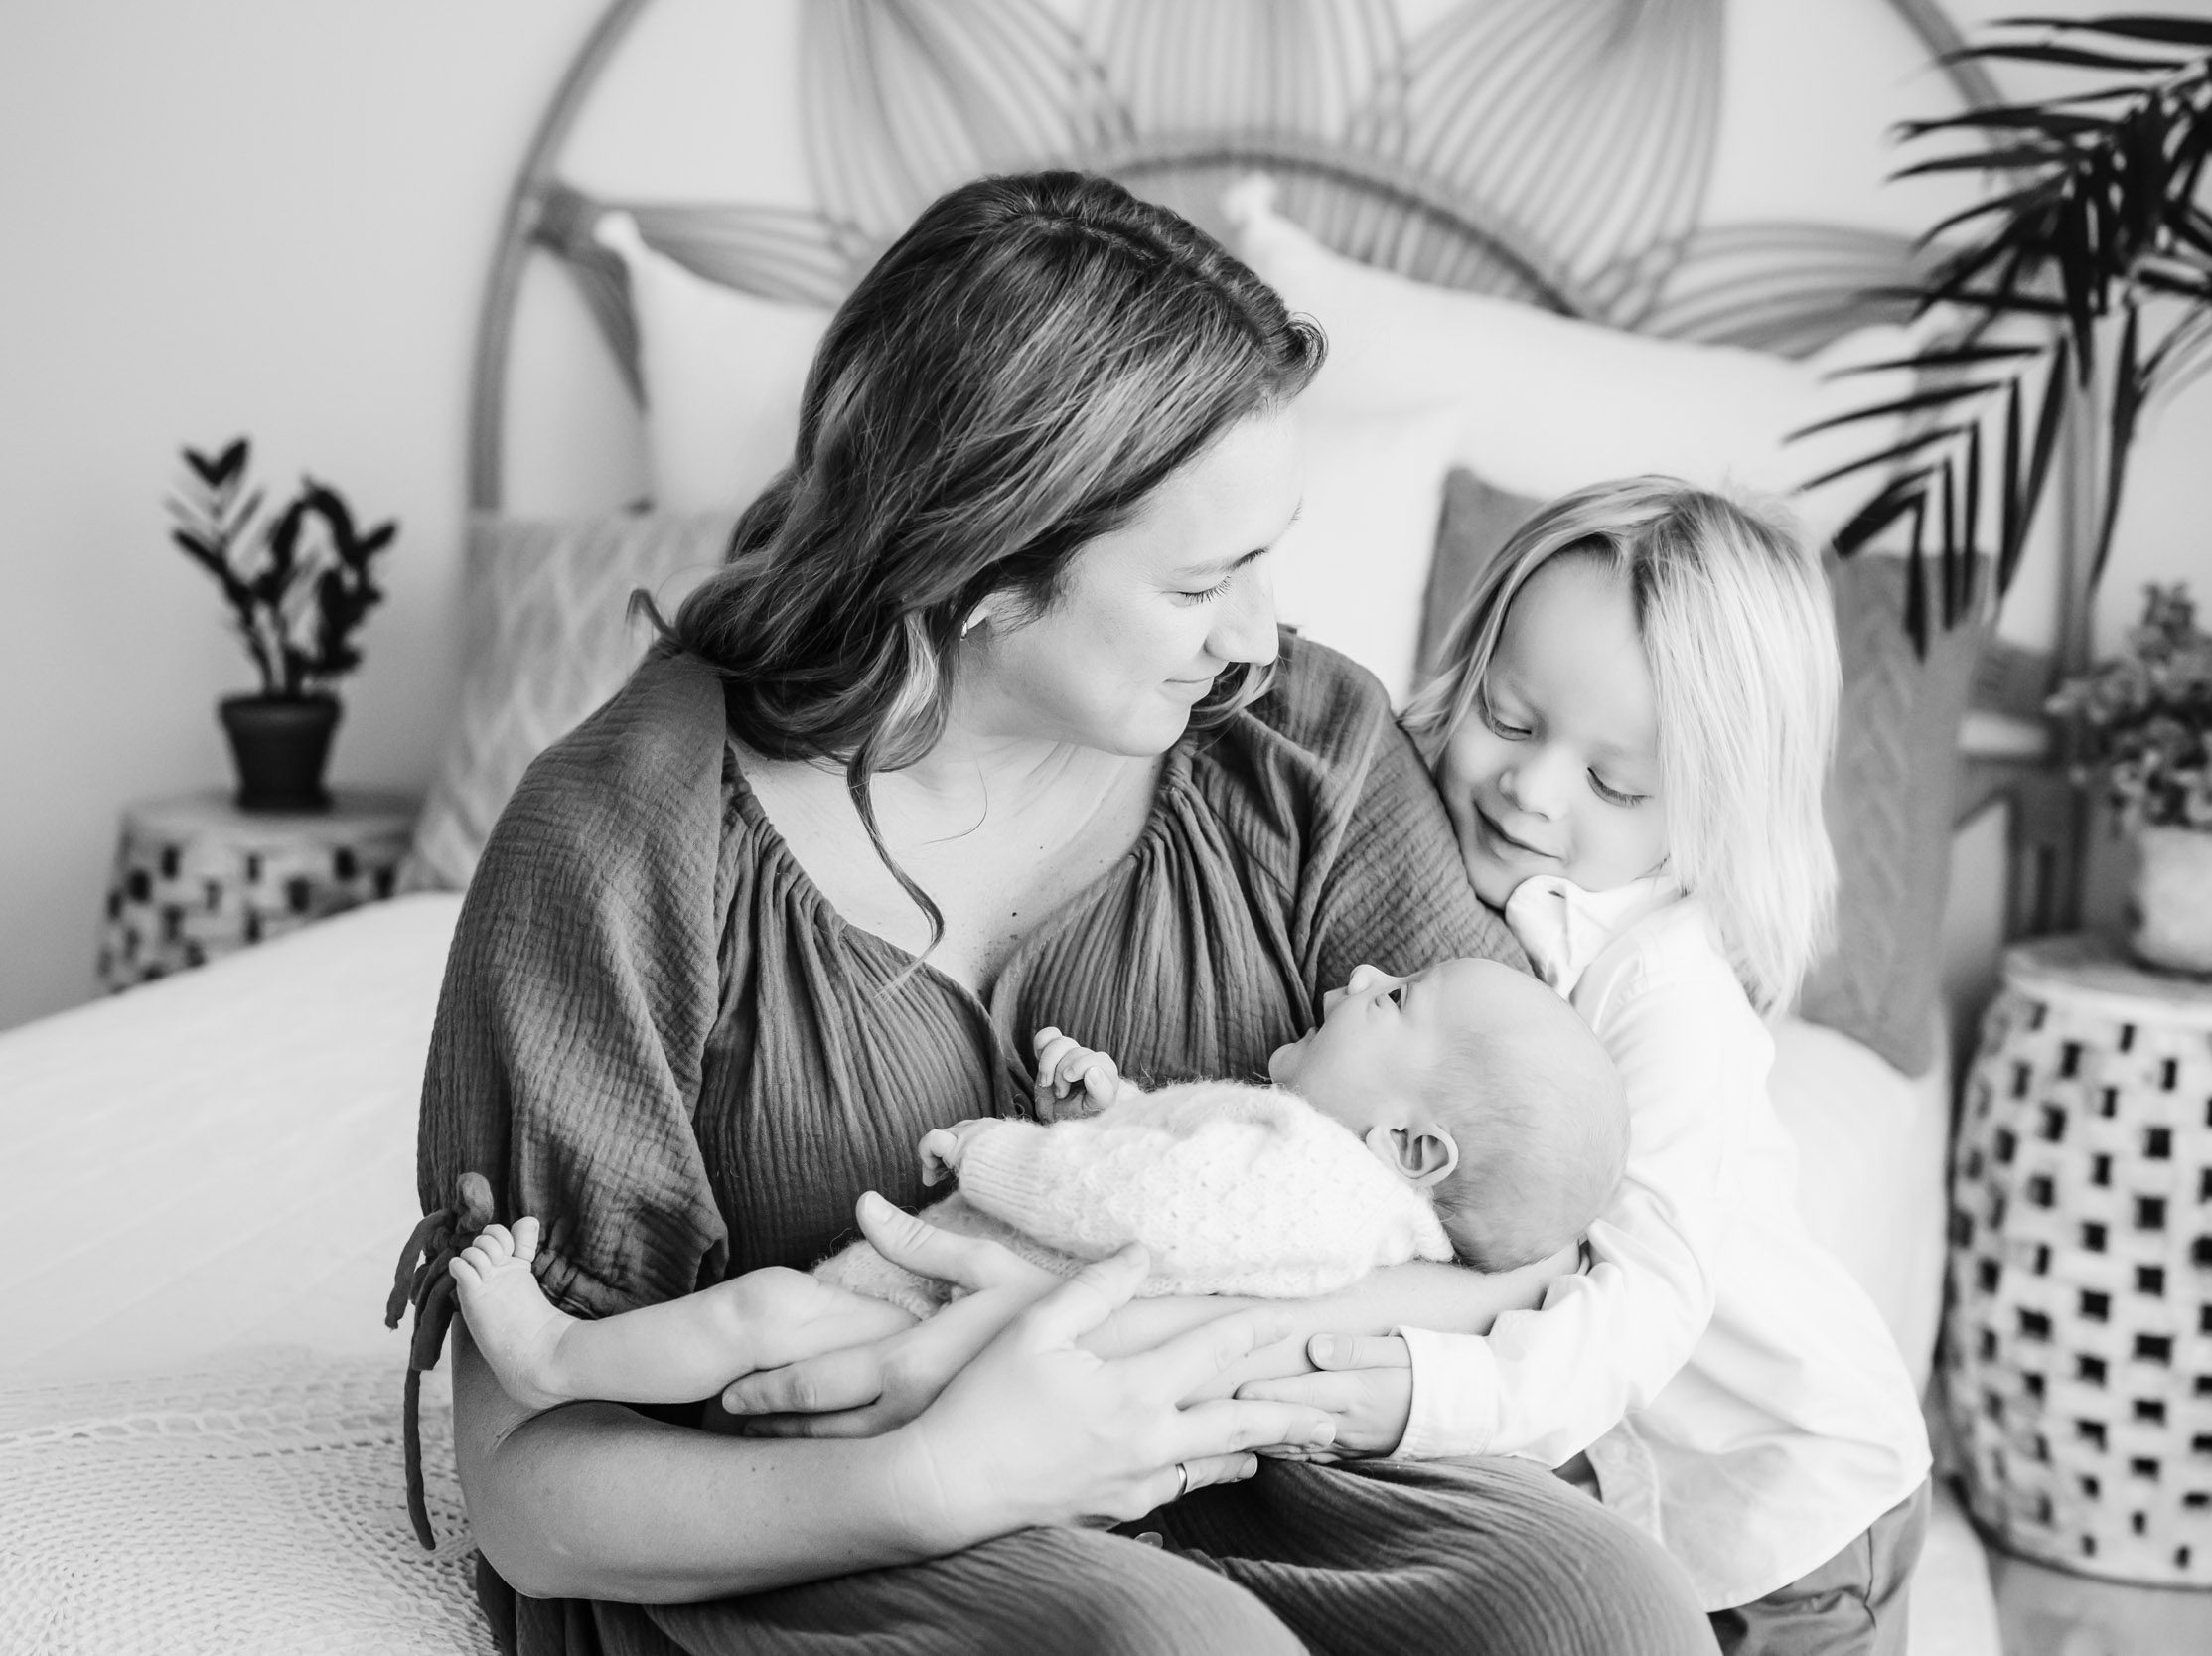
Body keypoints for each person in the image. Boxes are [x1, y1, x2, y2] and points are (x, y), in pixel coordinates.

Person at [402, 172, 1715, 1656]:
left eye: (1266, 558)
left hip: (1236, 1447)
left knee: (1613, 1609)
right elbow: (525, 1484)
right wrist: (935, 1467)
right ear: (979, 563)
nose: (1260, 633)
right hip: (806, 1518)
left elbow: (1526, 1232)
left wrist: (1080, 1348)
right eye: (1198, 582)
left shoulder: (1303, 748)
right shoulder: (619, 845)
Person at [1246, 479, 1933, 1656]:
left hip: (1796, 1501)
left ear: (1712, 812)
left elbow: (1643, 1305)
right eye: (1508, 719)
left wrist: (1431, 1393)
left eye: (1616, 783)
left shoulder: (1666, 994)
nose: (1532, 787)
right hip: (1656, 1483)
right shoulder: (1429, 843)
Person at [446, 956, 1629, 1412]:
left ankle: (556, 1363)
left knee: (761, 1311)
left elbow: (1129, 1209)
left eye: (1397, 1000)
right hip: (990, 1331)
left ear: (1415, 1147)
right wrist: (1107, 1108)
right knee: (767, 1331)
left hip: (961, 1332)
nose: (1366, 968)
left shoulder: (1325, 1181)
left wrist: (994, 1150)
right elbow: (1180, 1194)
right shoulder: (1329, 1182)